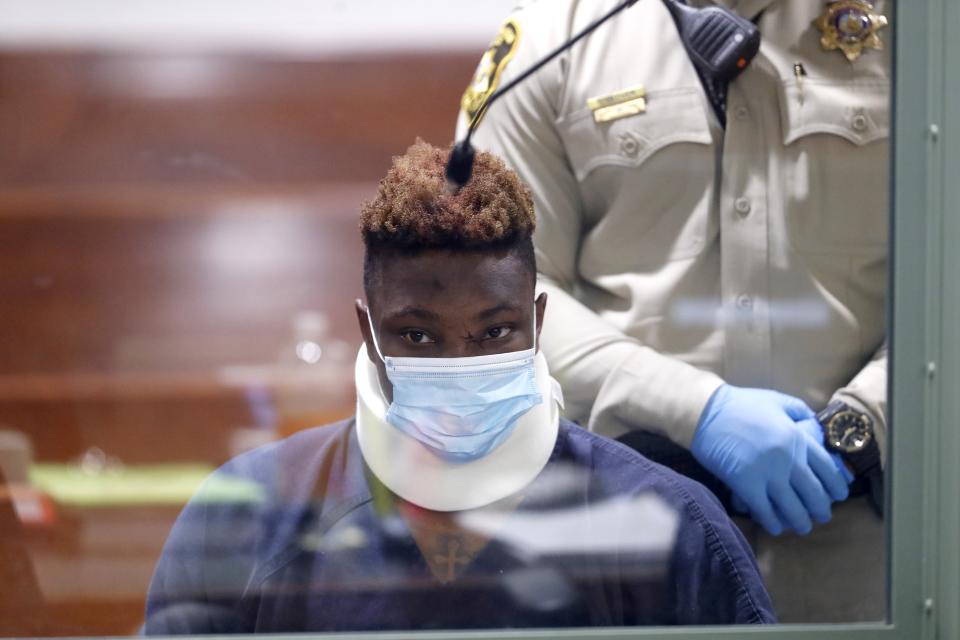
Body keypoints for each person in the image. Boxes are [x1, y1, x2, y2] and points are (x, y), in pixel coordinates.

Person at [144, 141, 775, 633]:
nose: (458, 361)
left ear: (537, 323)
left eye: (495, 331)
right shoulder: (244, 518)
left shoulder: (669, 526)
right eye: (417, 337)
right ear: (368, 333)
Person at [457, 0, 888, 622]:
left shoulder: (919, 35)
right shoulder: (556, 36)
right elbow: (493, 292)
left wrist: (867, 422)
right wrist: (697, 410)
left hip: (873, 545)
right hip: (631, 544)